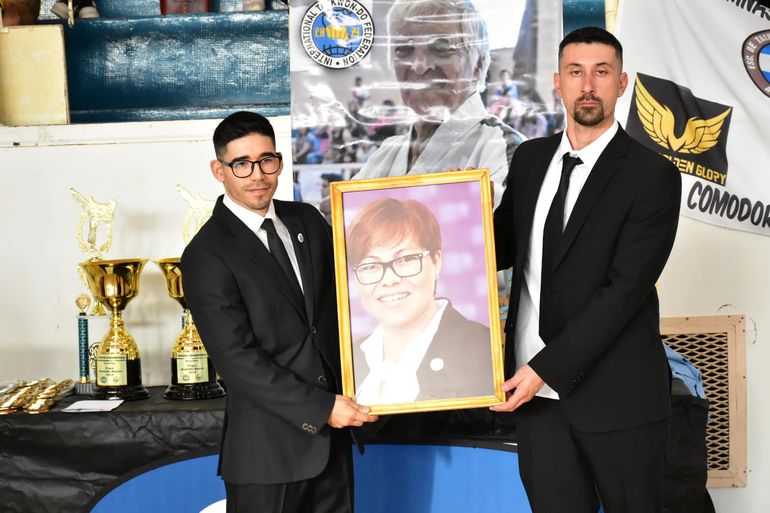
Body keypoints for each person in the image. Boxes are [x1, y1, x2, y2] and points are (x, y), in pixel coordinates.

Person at [492, 27, 681, 513]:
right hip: (535, 400)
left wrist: (542, 369)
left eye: (602, 72)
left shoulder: (652, 174)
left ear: (622, 83)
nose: (588, 86)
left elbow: (624, 291)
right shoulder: (530, 159)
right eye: (576, 72)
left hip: (618, 397)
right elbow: (498, 246)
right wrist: (446, 215)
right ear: (558, 82)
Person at [181, 111, 377, 513]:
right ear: (219, 170)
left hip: (334, 443)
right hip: (268, 454)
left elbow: (353, 293)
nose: (258, 175)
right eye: (242, 164)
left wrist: (448, 195)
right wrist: (322, 408)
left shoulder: (307, 220)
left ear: (279, 162)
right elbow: (237, 361)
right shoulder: (206, 253)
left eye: (266, 160)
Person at [354, 0, 524, 206]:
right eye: (404, 49)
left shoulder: (505, 149)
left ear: (477, 65)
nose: (418, 66)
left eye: (441, 48)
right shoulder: (385, 155)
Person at [346, 198, 493, 405]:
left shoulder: (482, 348)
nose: (389, 280)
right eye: (370, 266)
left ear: (436, 261)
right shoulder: (351, 358)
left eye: (406, 259)